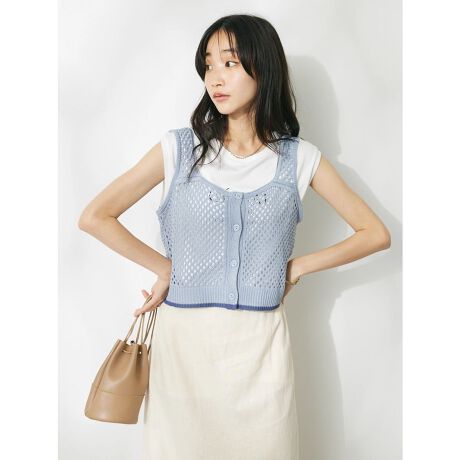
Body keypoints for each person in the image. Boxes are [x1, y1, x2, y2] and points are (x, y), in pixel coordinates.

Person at [78, 14, 391, 460]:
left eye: (229, 63)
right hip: (184, 349)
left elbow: (374, 233)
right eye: (208, 65)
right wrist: (166, 268)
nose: (215, 78)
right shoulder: (178, 149)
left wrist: (296, 267)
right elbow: (95, 216)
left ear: (263, 68)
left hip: (261, 352)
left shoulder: (299, 159)